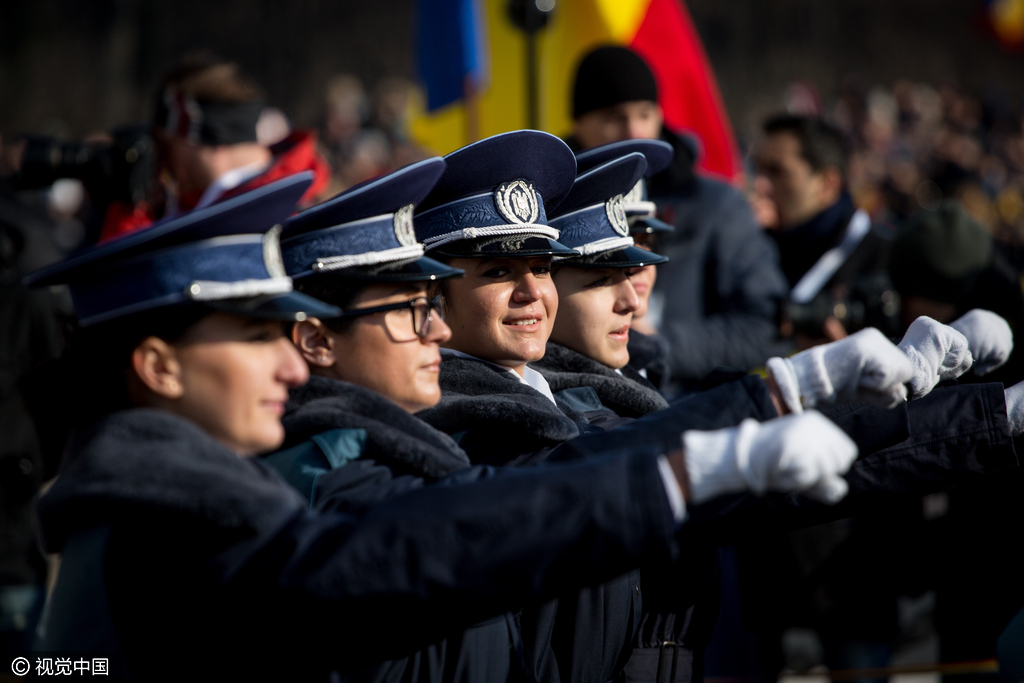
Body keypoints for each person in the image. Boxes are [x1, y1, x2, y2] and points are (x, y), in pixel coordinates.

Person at [27, 167, 870, 681]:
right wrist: (677, 476)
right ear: (158, 367)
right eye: (255, 335)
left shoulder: (166, 507)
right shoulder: (168, 530)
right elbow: (407, 545)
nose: (286, 363)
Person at [565, 45, 791, 391]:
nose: (633, 131)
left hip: (689, 412)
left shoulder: (717, 205)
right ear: (579, 123)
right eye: (613, 117)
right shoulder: (550, 204)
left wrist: (657, 345)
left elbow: (768, 325)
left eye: (644, 113)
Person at [99, 54, 331, 241]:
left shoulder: (280, 213)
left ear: (203, 137)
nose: (161, 161)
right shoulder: (201, 208)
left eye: (166, 147)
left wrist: (128, 213)